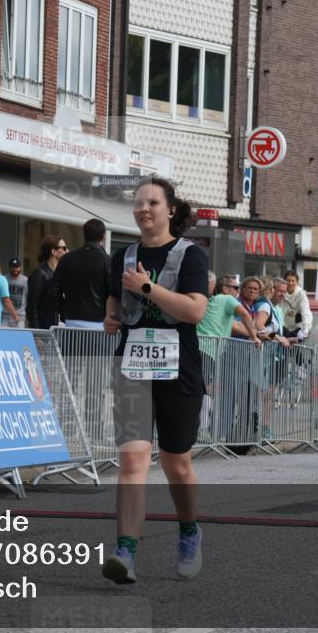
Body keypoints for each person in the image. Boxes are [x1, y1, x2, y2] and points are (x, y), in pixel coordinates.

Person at [100, 177, 208, 585]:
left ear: (170, 210)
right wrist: (112, 315)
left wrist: (148, 287)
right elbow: (114, 296)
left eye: (152, 202)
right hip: (132, 366)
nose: (144, 209)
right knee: (132, 459)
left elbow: (195, 311)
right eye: (138, 203)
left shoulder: (191, 256)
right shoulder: (122, 256)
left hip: (178, 369)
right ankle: (124, 552)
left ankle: (189, 531)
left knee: (176, 464)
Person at [52, 218, 110, 329]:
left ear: (84, 235)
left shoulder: (66, 259)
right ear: (103, 238)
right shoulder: (107, 261)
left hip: (71, 320)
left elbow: (55, 290)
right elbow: (113, 292)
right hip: (99, 323)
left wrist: (63, 312)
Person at [197, 272, 258, 343]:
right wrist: (254, 338)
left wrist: (256, 333)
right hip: (208, 348)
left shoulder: (215, 301)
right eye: (236, 288)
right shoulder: (227, 298)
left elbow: (236, 325)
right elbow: (245, 314)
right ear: (225, 289)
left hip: (200, 345)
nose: (238, 291)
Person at [26, 235, 67, 328]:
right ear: (53, 251)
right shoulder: (39, 274)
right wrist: (37, 334)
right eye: (64, 248)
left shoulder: (58, 273)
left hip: (55, 328)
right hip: (43, 330)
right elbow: (32, 307)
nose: (67, 251)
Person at [235, 276, 274, 342]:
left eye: (255, 289)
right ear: (243, 289)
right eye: (249, 288)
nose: (252, 291)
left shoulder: (253, 307)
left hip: (247, 348)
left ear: (259, 292)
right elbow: (237, 326)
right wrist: (256, 334)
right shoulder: (237, 304)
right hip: (233, 346)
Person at [281, 270, 313, 341]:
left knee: (295, 350)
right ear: (284, 281)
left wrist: (306, 328)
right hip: (283, 328)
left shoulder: (301, 295)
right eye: (288, 280)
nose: (290, 283)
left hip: (297, 328)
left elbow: (306, 312)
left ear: (297, 282)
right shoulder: (281, 293)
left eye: (293, 280)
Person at [4, 258, 29, 327]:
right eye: (13, 267)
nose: (15, 269)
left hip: (20, 316)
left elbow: (28, 298)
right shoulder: (4, 279)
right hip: (5, 315)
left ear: (20, 267)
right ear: (9, 267)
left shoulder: (26, 280)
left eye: (17, 267)